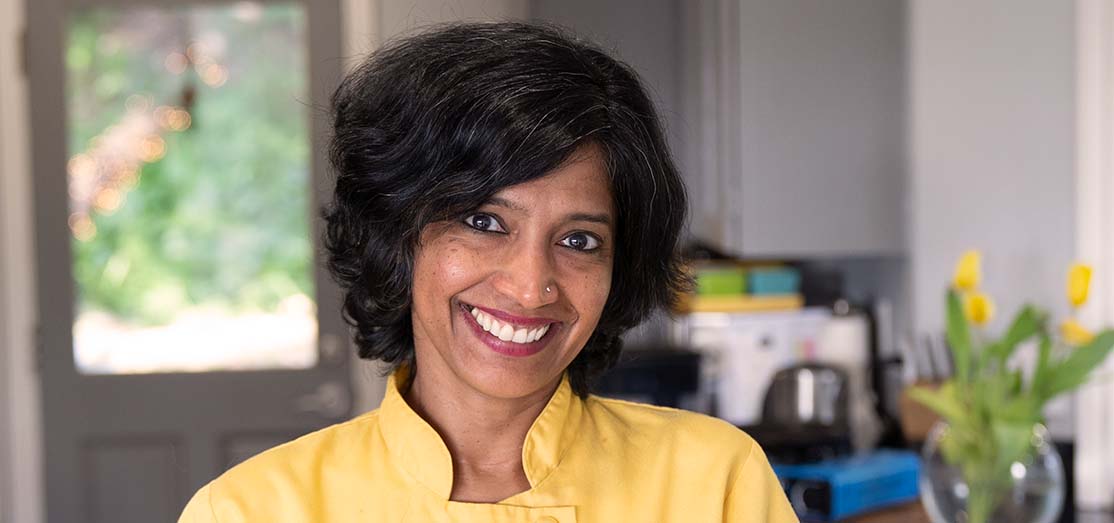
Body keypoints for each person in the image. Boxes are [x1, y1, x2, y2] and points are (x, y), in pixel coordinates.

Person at [179, 22, 797, 523]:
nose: (531, 286)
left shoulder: (716, 482)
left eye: (580, 240)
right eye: (483, 222)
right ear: (398, 232)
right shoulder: (250, 511)